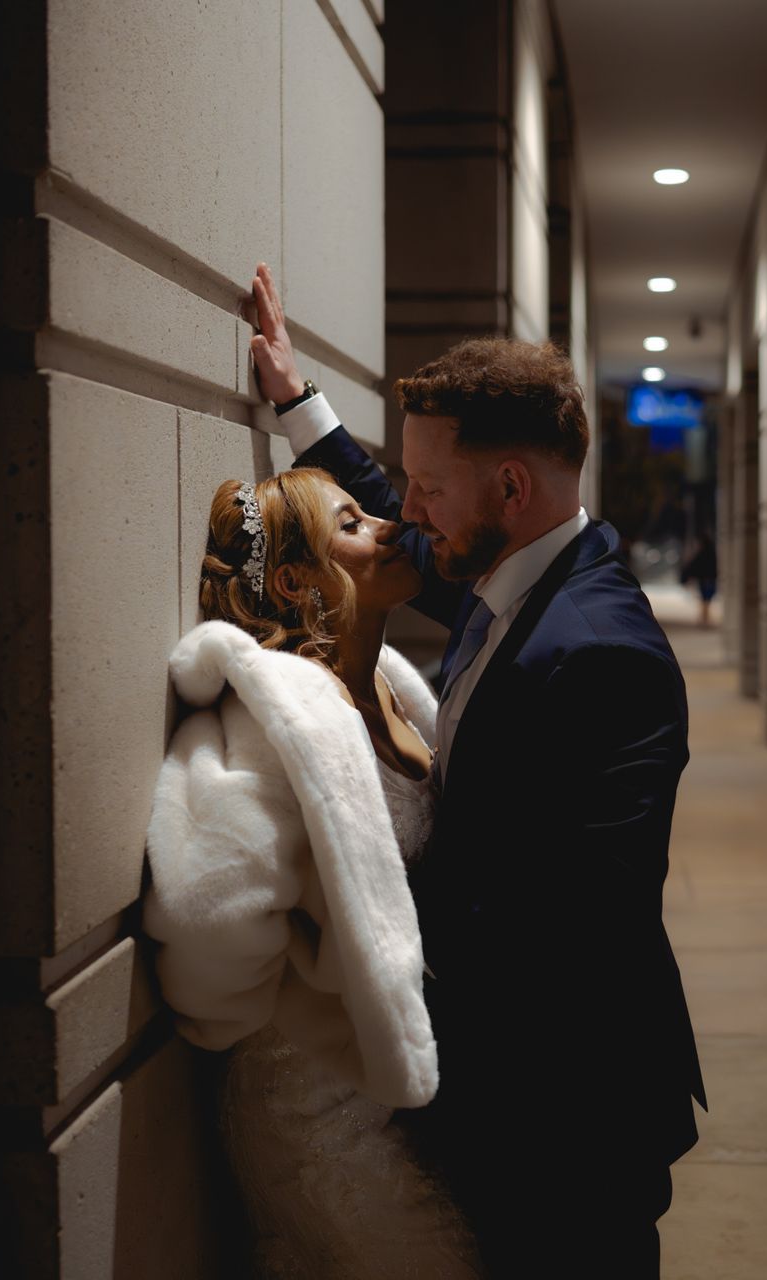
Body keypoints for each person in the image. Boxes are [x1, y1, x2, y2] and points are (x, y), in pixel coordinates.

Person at [245, 263, 708, 1275]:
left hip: (570, 1107)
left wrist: (362, 910)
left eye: (430, 485)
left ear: (510, 487)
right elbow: (385, 529)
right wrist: (297, 401)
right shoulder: (509, 576)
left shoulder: (600, 653)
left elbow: (580, 917)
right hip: (506, 1088)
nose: (409, 506)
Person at [142, 468, 483, 1278]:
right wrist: (309, 1001)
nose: (391, 525)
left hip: (407, 1083)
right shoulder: (282, 725)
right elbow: (205, 916)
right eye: (354, 524)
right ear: (298, 580)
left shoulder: (387, 685)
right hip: (313, 1109)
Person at [679, 529, 719, 626]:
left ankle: (704, 618)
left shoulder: (703, 553)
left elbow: (694, 566)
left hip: (706, 580)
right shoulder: (710, 552)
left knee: (705, 599)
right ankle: (705, 617)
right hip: (709, 579)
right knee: (706, 599)